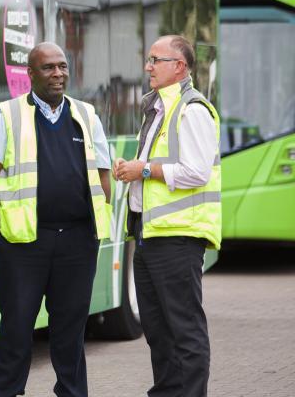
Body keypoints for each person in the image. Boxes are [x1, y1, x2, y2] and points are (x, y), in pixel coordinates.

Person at [0, 42, 112, 397]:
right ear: (30, 74)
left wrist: (96, 225)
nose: (58, 74)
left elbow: (103, 173)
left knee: (70, 331)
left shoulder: (87, 115)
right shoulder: (6, 116)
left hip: (78, 242)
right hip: (23, 246)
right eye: (49, 68)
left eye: (63, 66)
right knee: (17, 330)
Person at [113, 35, 220, 397]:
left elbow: (196, 171)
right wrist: (131, 169)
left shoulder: (192, 109)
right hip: (148, 234)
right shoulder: (158, 108)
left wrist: (143, 170)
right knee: (158, 332)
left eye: (156, 60)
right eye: (148, 59)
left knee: (184, 331)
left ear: (180, 66)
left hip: (177, 237)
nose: (148, 67)